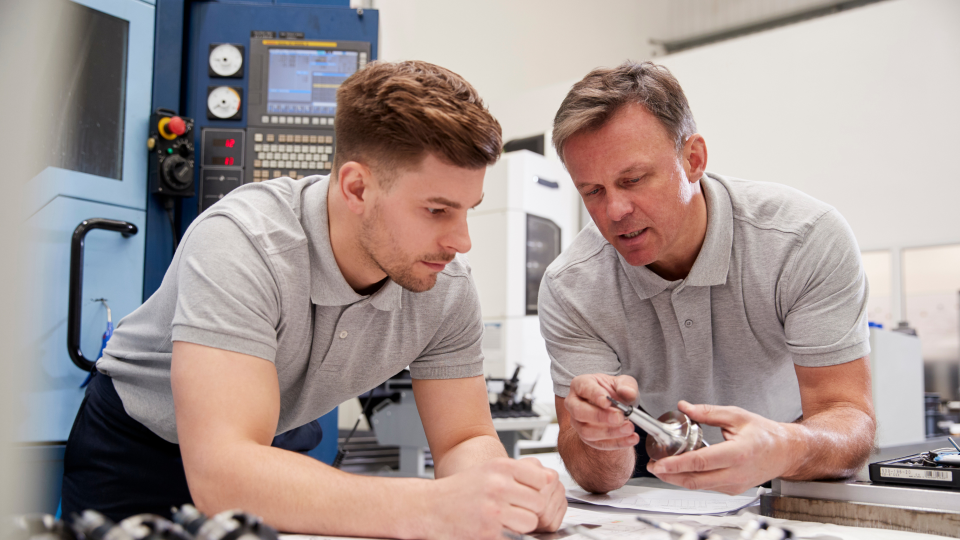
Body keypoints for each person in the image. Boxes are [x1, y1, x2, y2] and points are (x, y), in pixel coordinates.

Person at [62, 60, 566, 539]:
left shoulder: (445, 287)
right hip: (139, 448)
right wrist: (432, 507)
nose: (461, 241)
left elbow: (464, 440)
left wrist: (504, 494)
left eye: (467, 211)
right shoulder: (243, 242)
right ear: (356, 187)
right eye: (437, 210)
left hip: (272, 447)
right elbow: (225, 475)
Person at [540, 61, 876, 496]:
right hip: (665, 486)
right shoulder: (572, 287)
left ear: (693, 159)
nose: (614, 211)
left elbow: (847, 417)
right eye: (593, 191)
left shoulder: (803, 240)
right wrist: (598, 438)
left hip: (798, 472)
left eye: (634, 179)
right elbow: (595, 476)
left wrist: (782, 447)